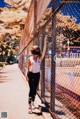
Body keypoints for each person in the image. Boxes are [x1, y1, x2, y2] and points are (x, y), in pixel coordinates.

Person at [27, 35, 48, 113]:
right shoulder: (30, 59)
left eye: (37, 52)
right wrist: (27, 76)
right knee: (31, 89)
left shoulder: (40, 58)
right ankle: (29, 105)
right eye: (35, 52)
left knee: (35, 89)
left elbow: (44, 50)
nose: (35, 55)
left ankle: (32, 102)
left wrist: (45, 41)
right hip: (31, 74)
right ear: (33, 52)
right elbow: (28, 67)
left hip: (37, 75)